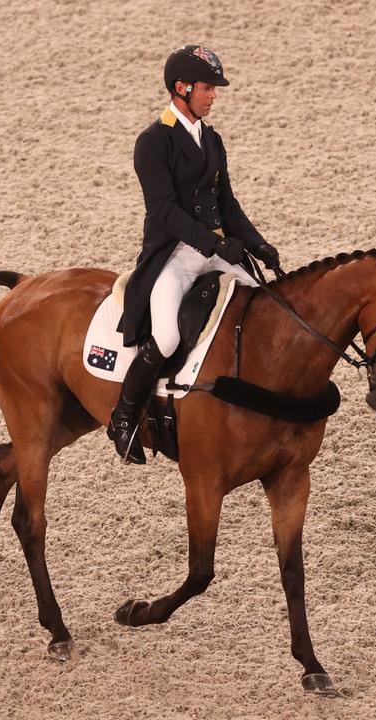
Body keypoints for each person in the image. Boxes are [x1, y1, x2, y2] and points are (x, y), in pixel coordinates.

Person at [108, 44, 282, 464]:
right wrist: (215, 242)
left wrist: (258, 243)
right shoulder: (153, 141)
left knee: (264, 307)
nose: (213, 95)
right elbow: (164, 211)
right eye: (207, 88)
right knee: (166, 336)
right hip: (173, 256)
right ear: (181, 89)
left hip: (215, 249)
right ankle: (125, 418)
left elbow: (228, 204)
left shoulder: (212, 139)